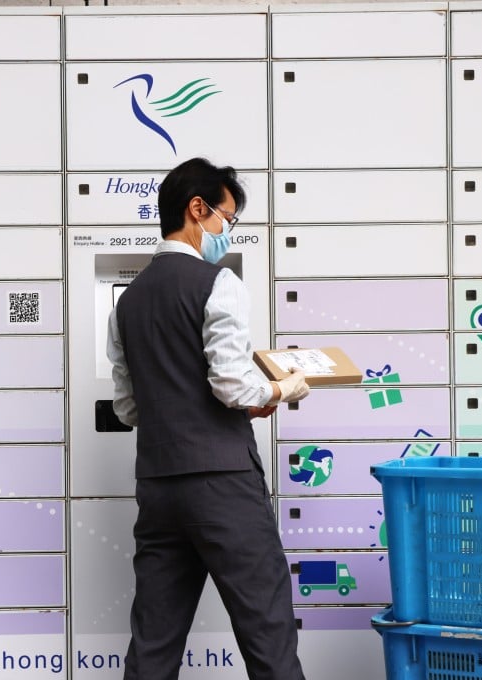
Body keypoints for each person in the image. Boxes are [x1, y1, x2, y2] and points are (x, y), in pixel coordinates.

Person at [106, 157, 310, 680]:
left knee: (153, 644)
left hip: (158, 487)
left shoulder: (126, 302)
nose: (228, 230)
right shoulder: (218, 283)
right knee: (267, 634)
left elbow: (129, 409)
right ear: (198, 209)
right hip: (223, 483)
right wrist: (282, 387)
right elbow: (231, 385)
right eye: (228, 218)